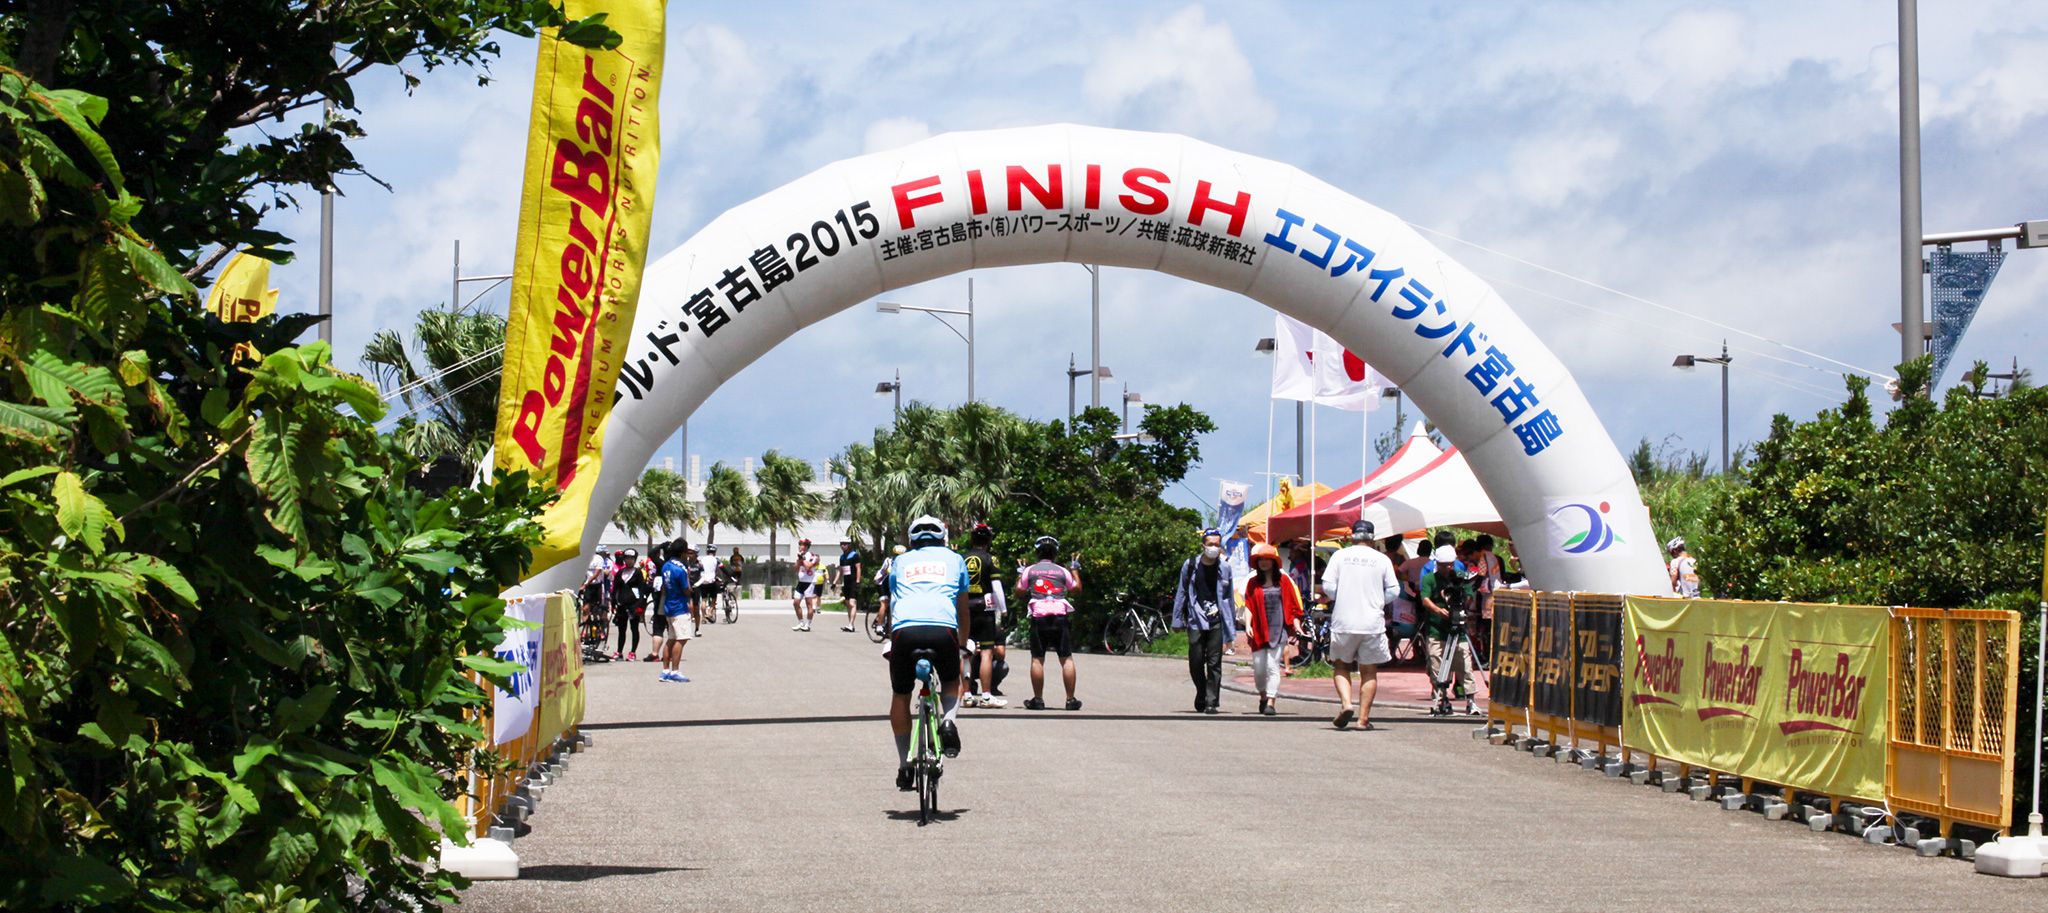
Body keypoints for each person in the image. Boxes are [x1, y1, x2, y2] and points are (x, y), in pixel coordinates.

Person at [883, 515, 971, 790]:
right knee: (951, 679)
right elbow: (962, 607)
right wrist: (963, 643)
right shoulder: (955, 559)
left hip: (904, 631)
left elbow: (896, 601)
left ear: (911, 540)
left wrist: (891, 638)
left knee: (900, 693)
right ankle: (948, 722)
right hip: (942, 629)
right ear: (943, 537)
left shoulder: (901, 561)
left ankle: (904, 765)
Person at [1317, 520, 1401, 731]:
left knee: (1341, 665)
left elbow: (1327, 585)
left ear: (1352, 535)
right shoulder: (1381, 559)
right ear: (1372, 537)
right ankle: (1363, 719)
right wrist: (1378, 600)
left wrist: (1344, 596)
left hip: (1344, 620)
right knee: (1369, 671)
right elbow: (1394, 590)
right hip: (1372, 622)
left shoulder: (1339, 556)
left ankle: (1346, 703)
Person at [1170, 528, 1236, 714]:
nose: (1214, 548)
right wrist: (1177, 620)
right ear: (1203, 546)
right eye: (1210, 544)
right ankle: (1201, 692)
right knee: (1196, 661)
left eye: (1217, 545)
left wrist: (1231, 629)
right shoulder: (1190, 565)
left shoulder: (1225, 567)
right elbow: (1182, 592)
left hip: (1217, 620)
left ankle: (1211, 702)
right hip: (1196, 620)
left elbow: (1229, 598)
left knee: (1214, 662)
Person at [1016, 536, 1083, 711]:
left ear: (1037, 553)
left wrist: (1020, 573)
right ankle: (1070, 700)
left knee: (1038, 659)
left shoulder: (1030, 571)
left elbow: (1019, 592)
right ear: (1055, 554)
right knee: (1066, 658)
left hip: (1039, 616)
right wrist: (1075, 569)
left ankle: (1038, 700)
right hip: (1059, 615)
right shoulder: (1062, 571)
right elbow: (1076, 589)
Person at [1244, 543, 1305, 716]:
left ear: (1273, 562)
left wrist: (1296, 625)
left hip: (1278, 629)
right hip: (1259, 629)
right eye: (1261, 559)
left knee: (1273, 666)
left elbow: (1293, 605)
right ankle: (1263, 696)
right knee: (1259, 669)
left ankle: (1271, 701)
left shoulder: (1284, 581)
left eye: (1267, 559)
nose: (1264, 562)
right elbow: (1249, 605)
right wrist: (1248, 625)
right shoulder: (1252, 582)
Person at [1419, 545, 1479, 715]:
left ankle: (1471, 700)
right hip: (1436, 629)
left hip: (1458, 628)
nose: (1448, 568)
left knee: (1464, 663)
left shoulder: (1461, 577)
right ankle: (1441, 697)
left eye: (1450, 564)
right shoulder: (1430, 578)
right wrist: (1438, 610)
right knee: (1435, 661)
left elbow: (1469, 598)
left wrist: (1459, 598)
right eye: (1444, 564)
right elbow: (1425, 599)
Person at [960, 524, 1009, 708]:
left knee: (965, 653)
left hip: (964, 609)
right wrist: (1004, 612)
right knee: (987, 653)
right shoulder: (991, 559)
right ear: (989, 541)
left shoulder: (960, 558)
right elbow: (997, 587)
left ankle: (966, 694)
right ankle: (986, 696)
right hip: (985, 610)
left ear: (972, 540)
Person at [658, 541, 694, 682]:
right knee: (682, 638)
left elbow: (664, 588)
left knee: (671, 639)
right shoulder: (681, 569)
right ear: (683, 552)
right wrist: (691, 593)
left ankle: (665, 670)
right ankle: (675, 670)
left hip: (669, 605)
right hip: (680, 606)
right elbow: (686, 589)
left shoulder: (666, 565)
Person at [609, 547, 651, 661]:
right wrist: (613, 603)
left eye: (631, 558)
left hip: (634, 605)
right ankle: (619, 651)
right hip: (622, 605)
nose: (629, 560)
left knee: (634, 629)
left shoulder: (638, 573)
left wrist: (640, 606)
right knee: (621, 630)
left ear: (635, 559)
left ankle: (633, 652)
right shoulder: (620, 573)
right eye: (627, 558)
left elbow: (642, 590)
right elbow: (615, 589)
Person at [696, 544, 723, 633]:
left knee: (703, 599)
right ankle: (710, 612)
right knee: (714, 598)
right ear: (715, 552)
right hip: (712, 581)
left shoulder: (702, 559)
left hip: (703, 581)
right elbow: (723, 569)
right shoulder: (716, 559)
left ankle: (703, 616)